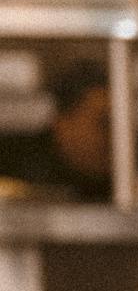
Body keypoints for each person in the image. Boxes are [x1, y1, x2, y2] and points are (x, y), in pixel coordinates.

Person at [1, 60, 113, 200]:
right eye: (104, 123)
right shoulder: (14, 166)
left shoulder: (131, 174)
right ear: (64, 123)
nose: (116, 137)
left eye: (122, 126)